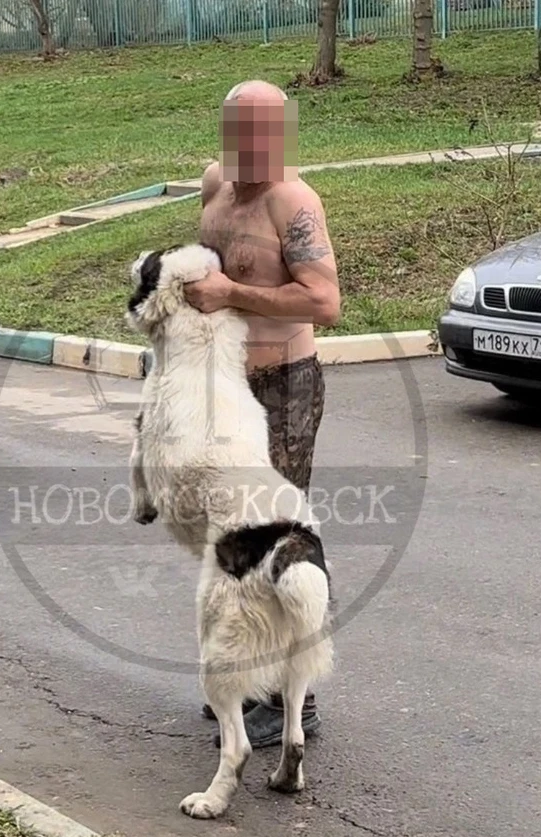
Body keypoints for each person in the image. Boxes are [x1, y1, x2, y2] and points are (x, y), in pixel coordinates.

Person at [184, 79, 341, 750]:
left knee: (276, 538)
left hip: (285, 385)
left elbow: (323, 302)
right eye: (238, 134)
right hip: (225, 386)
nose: (249, 150)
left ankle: (293, 702)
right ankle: (245, 679)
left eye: (262, 136)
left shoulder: (295, 202)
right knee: (230, 539)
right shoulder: (215, 182)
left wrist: (230, 292)